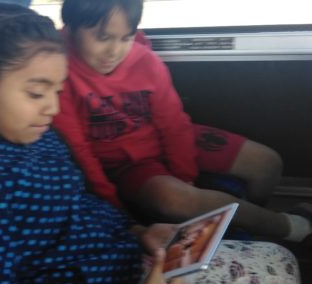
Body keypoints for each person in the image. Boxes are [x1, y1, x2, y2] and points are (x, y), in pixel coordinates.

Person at [0, 3, 180, 283]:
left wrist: (138, 232)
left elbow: (76, 203)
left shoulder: (32, 135)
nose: (53, 108)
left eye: (58, 90)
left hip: (126, 256)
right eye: (37, 93)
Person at [52, 0, 312, 244]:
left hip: (165, 137)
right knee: (174, 199)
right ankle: (282, 227)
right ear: (71, 28)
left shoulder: (145, 61)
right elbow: (80, 151)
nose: (114, 51)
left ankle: (250, 220)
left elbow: (173, 124)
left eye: (126, 37)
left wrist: (185, 176)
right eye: (103, 37)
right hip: (127, 164)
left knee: (266, 163)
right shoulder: (60, 71)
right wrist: (114, 209)